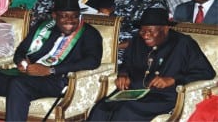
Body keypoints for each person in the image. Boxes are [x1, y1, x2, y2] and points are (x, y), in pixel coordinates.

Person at [0, 0, 103, 121]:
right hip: (28, 75)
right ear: (54, 16)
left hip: (57, 80)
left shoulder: (89, 33)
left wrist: (51, 70)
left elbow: (93, 61)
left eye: (74, 16)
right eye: (64, 15)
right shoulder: (44, 27)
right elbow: (21, 50)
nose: (70, 20)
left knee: (18, 84)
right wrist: (21, 62)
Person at [87, 8, 216, 121]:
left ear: (165, 29)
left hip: (162, 96)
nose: (145, 35)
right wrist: (123, 74)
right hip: (133, 91)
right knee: (101, 108)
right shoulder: (137, 40)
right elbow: (127, 63)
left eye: (150, 31)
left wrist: (174, 80)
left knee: (126, 112)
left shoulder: (183, 44)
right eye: (142, 31)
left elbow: (207, 72)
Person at [111, 0, 168, 64]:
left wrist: (115, 46)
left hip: (136, 52)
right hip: (114, 43)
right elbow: (115, 19)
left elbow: (153, 37)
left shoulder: (155, 2)